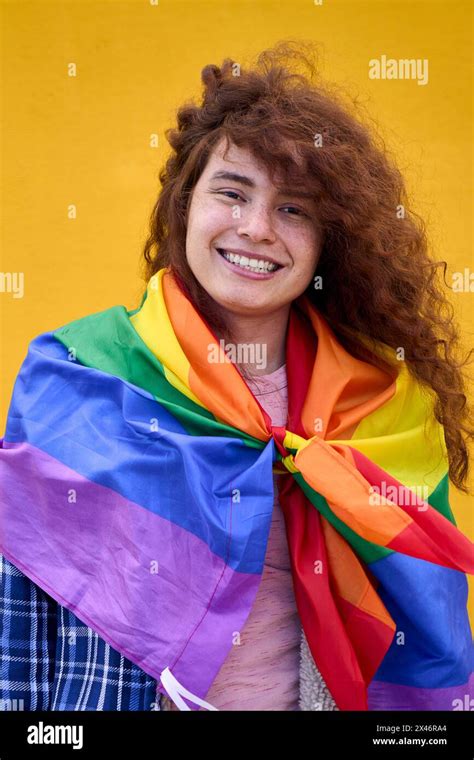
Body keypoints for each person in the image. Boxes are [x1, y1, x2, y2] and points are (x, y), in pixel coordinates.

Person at [1, 41, 473, 712]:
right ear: (185, 206)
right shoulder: (81, 373)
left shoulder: (382, 408)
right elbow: (18, 610)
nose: (256, 229)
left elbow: (434, 627)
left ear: (324, 243)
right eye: (232, 192)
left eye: (294, 209)